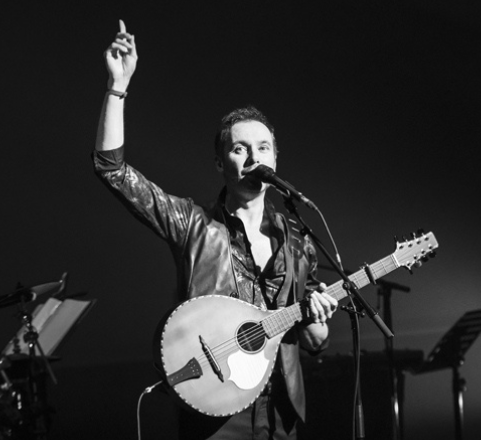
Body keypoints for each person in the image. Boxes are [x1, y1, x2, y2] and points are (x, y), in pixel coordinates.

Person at [92, 20, 338, 440]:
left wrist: (318, 320)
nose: (252, 158)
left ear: (275, 159)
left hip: (282, 411)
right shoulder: (193, 223)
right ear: (221, 162)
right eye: (239, 148)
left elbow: (315, 340)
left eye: (263, 148)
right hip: (216, 410)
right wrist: (118, 87)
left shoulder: (295, 238)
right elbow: (112, 170)